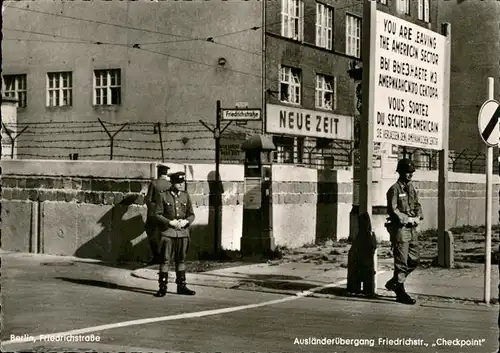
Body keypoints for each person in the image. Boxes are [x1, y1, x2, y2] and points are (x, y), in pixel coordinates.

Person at [384, 158, 423, 305]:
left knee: (414, 260)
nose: (410, 175)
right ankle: (400, 291)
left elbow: (417, 203)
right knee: (401, 262)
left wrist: (419, 216)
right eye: (407, 172)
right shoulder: (395, 189)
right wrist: (407, 219)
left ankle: (395, 281)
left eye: (411, 172)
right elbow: (393, 210)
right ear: (400, 172)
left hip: (412, 229)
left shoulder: (411, 187)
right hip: (400, 228)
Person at [153, 171, 196, 297]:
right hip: (168, 233)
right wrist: (170, 222)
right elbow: (157, 214)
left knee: (181, 259)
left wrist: (186, 221)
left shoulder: (185, 196)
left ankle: (181, 286)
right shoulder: (163, 196)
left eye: (182, 182)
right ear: (172, 183)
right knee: (165, 260)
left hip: (183, 233)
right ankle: (162, 287)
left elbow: (191, 214)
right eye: (178, 182)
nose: (181, 185)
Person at [144, 163, 171, 265]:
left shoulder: (154, 183)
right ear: (166, 173)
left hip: (154, 214)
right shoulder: (170, 185)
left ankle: (156, 257)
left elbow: (148, 199)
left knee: (151, 233)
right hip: (165, 214)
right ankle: (164, 257)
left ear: (158, 172)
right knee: (164, 235)